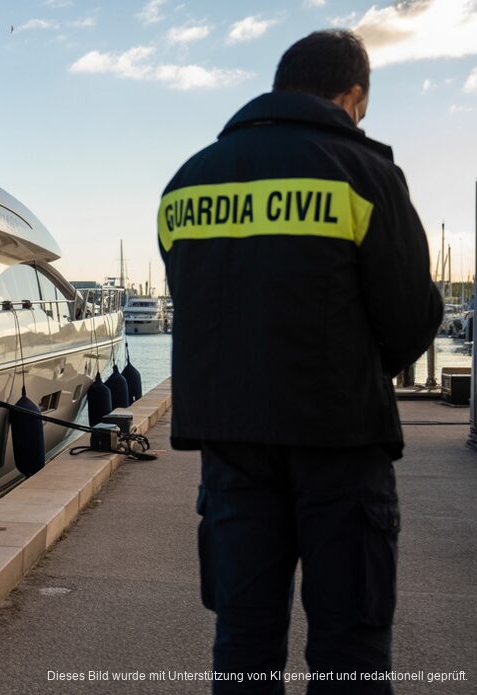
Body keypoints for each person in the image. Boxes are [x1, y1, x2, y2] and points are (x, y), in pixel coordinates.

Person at [158, 30, 441, 692]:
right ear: (351, 95)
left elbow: (200, 307)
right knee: (350, 651)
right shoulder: (367, 177)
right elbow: (410, 320)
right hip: (341, 441)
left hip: (231, 448)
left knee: (244, 647)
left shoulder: (188, 184)